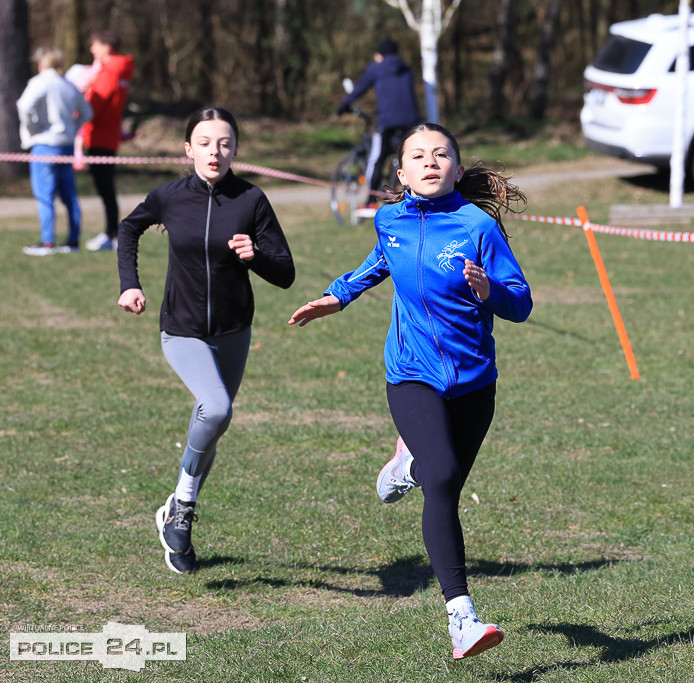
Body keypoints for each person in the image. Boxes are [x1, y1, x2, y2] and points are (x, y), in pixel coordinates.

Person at [289, 123, 530, 660]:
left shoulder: (478, 227)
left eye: (441, 154)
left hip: (474, 383)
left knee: (441, 483)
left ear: (457, 171)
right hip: (411, 373)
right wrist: (337, 296)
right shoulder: (389, 220)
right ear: (401, 174)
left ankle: (408, 465)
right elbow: (379, 262)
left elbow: (521, 302)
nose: (430, 162)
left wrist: (490, 290)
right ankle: (462, 619)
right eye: (418, 156)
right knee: (442, 478)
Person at [117, 107, 295, 573]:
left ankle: (177, 521)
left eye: (225, 143)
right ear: (188, 149)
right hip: (182, 328)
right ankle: (182, 503)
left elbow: (286, 273)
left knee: (212, 426)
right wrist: (129, 284)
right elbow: (129, 227)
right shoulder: (169, 197)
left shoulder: (252, 200)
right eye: (205, 143)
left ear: (235, 150)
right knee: (215, 409)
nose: (215, 152)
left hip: (234, 332)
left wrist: (255, 256)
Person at [16, 47, 93, 256]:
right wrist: (72, 129)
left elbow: (24, 106)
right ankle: (73, 241)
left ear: (42, 63)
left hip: (44, 145)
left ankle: (47, 242)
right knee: (69, 195)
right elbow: (87, 112)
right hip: (66, 145)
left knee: (45, 195)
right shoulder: (68, 85)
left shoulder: (40, 82)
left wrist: (32, 129)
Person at [335, 37, 421, 209]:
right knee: (406, 157)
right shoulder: (406, 68)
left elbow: (359, 89)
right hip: (411, 122)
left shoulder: (377, 68)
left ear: (380, 55)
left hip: (387, 122)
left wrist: (343, 106)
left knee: (377, 159)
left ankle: (370, 202)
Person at [81, 29, 135, 252]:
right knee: (106, 188)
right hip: (107, 135)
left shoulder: (109, 72)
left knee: (105, 188)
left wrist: (79, 107)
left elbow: (94, 108)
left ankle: (112, 234)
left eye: (95, 44)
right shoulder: (117, 71)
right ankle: (111, 233)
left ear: (107, 47)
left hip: (100, 136)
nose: (92, 49)